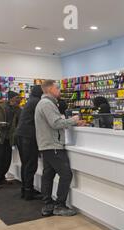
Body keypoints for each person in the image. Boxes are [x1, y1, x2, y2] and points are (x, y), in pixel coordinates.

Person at [34, 80, 87, 216]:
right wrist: (73, 120)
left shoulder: (44, 103)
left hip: (47, 145)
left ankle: (48, 205)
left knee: (48, 174)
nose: (59, 91)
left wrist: (71, 123)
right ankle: (60, 205)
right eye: (58, 88)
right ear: (51, 89)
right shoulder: (47, 104)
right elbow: (56, 123)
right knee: (66, 174)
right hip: (53, 145)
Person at [15, 85, 44, 200]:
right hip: (29, 137)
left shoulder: (31, 101)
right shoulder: (37, 102)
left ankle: (25, 190)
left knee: (25, 164)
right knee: (31, 164)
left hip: (21, 135)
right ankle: (29, 192)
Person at [0, 91, 22, 189]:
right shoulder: (1, 107)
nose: (19, 99)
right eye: (17, 97)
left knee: (7, 159)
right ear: (11, 98)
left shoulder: (18, 109)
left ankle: (2, 178)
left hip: (9, 138)